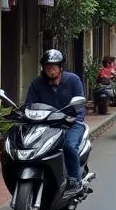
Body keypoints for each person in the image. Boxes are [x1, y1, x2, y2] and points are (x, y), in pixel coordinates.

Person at [25, 49, 86, 190]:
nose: (50, 70)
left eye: (53, 67)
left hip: (70, 124)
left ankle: (74, 179)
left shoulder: (73, 80)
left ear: (60, 67)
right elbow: (29, 104)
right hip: (46, 125)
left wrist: (78, 120)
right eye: (47, 67)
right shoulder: (36, 83)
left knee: (69, 146)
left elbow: (80, 106)